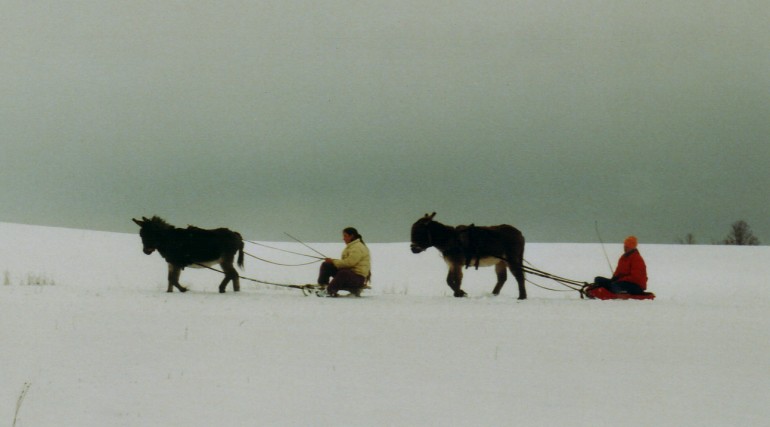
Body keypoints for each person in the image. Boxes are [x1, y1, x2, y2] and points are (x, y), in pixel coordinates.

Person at [316, 227, 371, 297]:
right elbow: (346, 262)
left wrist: (333, 261)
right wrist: (331, 262)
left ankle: (330, 291)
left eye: (345, 236)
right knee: (327, 265)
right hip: (350, 275)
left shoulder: (357, 248)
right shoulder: (352, 246)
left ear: (352, 236)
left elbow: (349, 263)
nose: (343, 238)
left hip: (357, 279)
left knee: (343, 273)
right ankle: (322, 286)